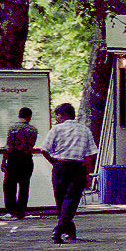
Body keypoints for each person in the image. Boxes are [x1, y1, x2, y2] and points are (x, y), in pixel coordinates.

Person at [40, 103, 97, 243]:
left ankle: (60, 229)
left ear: (64, 115)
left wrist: (54, 162)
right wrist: (87, 173)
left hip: (60, 166)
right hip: (77, 167)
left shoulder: (56, 129)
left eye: (57, 115)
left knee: (60, 199)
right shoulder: (85, 130)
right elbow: (91, 154)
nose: (57, 118)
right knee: (71, 199)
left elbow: (44, 149)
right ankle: (67, 229)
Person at [3, 107, 38, 219]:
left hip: (13, 159)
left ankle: (11, 211)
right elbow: (31, 145)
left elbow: (8, 147)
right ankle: (21, 211)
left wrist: (4, 161)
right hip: (27, 159)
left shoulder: (13, 128)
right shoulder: (33, 130)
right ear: (29, 117)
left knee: (9, 185)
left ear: (19, 115)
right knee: (24, 186)